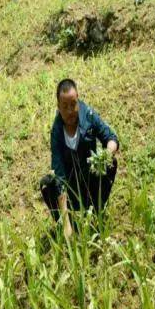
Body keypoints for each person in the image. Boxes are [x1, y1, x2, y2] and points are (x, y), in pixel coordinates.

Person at [40, 79, 119, 238]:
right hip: (71, 188)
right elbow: (59, 175)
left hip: (90, 181)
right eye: (65, 106)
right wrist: (67, 226)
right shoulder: (57, 131)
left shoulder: (88, 115)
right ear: (58, 107)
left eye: (73, 104)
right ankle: (67, 223)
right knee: (48, 184)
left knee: (110, 164)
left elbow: (110, 138)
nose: (70, 110)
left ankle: (96, 211)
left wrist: (106, 155)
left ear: (78, 100)